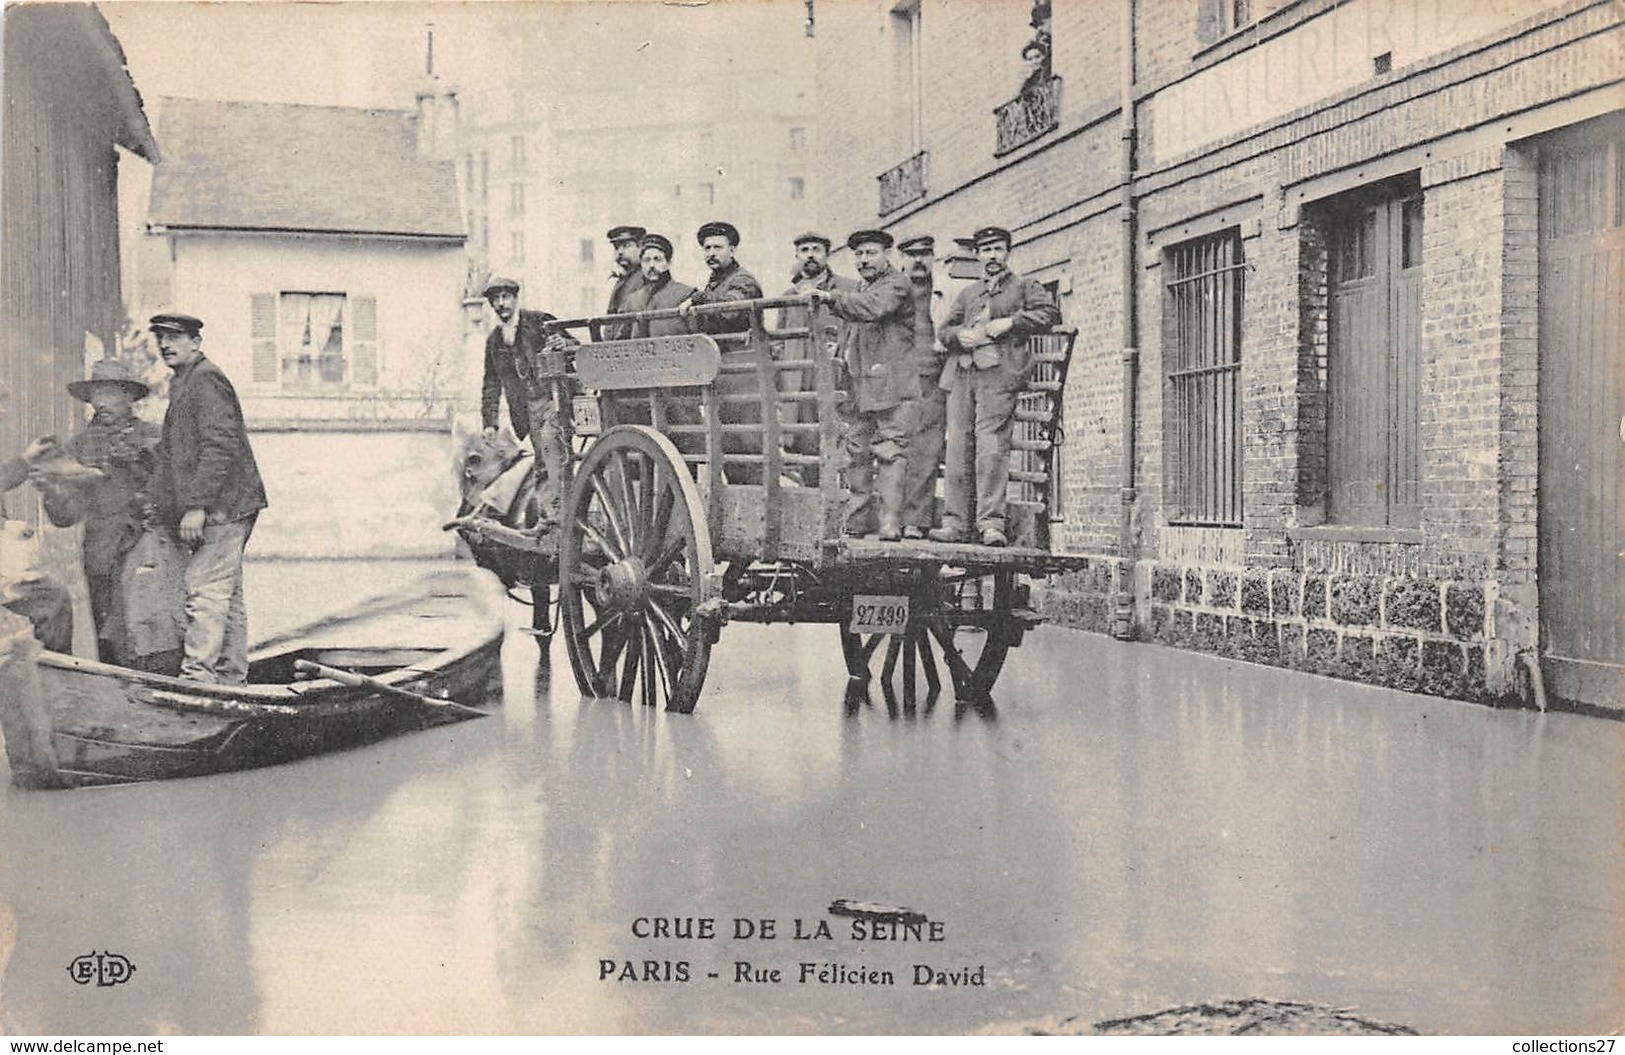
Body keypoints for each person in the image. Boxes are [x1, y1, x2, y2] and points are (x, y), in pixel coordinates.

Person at [147, 312, 269, 683]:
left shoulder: (205, 379)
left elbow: (220, 447)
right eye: (161, 339)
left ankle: (198, 679)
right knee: (226, 594)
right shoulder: (187, 381)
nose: (166, 345)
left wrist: (196, 506)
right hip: (229, 506)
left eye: (175, 337)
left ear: (196, 342)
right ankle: (232, 679)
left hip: (222, 508)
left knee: (205, 591)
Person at [930, 226, 1060, 548]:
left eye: (998, 249)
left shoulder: (1024, 287)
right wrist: (958, 336)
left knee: (991, 450)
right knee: (958, 448)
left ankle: (991, 524)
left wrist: (1012, 323)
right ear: (977, 255)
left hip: (998, 378)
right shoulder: (968, 294)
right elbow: (945, 330)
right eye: (985, 250)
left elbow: (1049, 312)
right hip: (962, 375)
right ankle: (955, 523)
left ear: (1007, 252)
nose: (992, 255)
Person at [27, 359, 162, 664]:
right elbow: (67, 516)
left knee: (152, 634)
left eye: (110, 393)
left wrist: (109, 472)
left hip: (148, 550)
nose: (100, 403)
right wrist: (51, 490)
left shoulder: (153, 438)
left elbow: (163, 485)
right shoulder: (80, 447)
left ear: (129, 396)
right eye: (96, 395)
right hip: (101, 555)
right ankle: (116, 704)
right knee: (109, 641)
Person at [810, 229, 918, 541]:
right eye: (858, 254)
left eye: (871, 253)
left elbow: (873, 308)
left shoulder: (897, 284)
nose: (863, 260)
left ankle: (889, 522)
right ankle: (857, 521)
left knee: (890, 451)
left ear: (888, 256)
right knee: (856, 450)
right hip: (859, 385)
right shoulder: (862, 287)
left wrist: (831, 298)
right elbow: (853, 329)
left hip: (892, 386)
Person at [775, 232, 857, 480]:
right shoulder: (789, 297)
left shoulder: (847, 289)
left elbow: (856, 329)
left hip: (836, 379)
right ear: (797, 256)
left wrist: (840, 348)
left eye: (817, 249)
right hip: (799, 384)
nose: (810, 255)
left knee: (840, 442)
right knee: (807, 446)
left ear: (827, 255)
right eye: (804, 250)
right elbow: (779, 340)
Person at [896, 235, 947, 540]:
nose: (918, 260)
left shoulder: (942, 292)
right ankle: (887, 517)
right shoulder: (894, 291)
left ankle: (915, 520)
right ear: (901, 259)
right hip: (896, 383)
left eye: (925, 254)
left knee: (926, 451)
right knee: (893, 450)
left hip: (930, 381)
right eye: (911, 254)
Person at [680, 221, 763, 334]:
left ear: (732, 251)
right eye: (707, 248)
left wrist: (698, 298)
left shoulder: (743, 280)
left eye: (717, 247)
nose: (711, 253)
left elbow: (731, 310)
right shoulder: (715, 282)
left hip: (741, 349)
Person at [625, 233, 696, 338]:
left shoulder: (685, 294)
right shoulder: (633, 300)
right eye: (646, 260)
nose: (652, 265)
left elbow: (698, 338)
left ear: (669, 263)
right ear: (641, 264)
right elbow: (622, 339)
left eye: (657, 259)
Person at [602, 224, 649, 340]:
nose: (620, 252)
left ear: (641, 248)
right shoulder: (621, 282)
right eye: (616, 247)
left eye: (626, 246)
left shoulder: (647, 278)